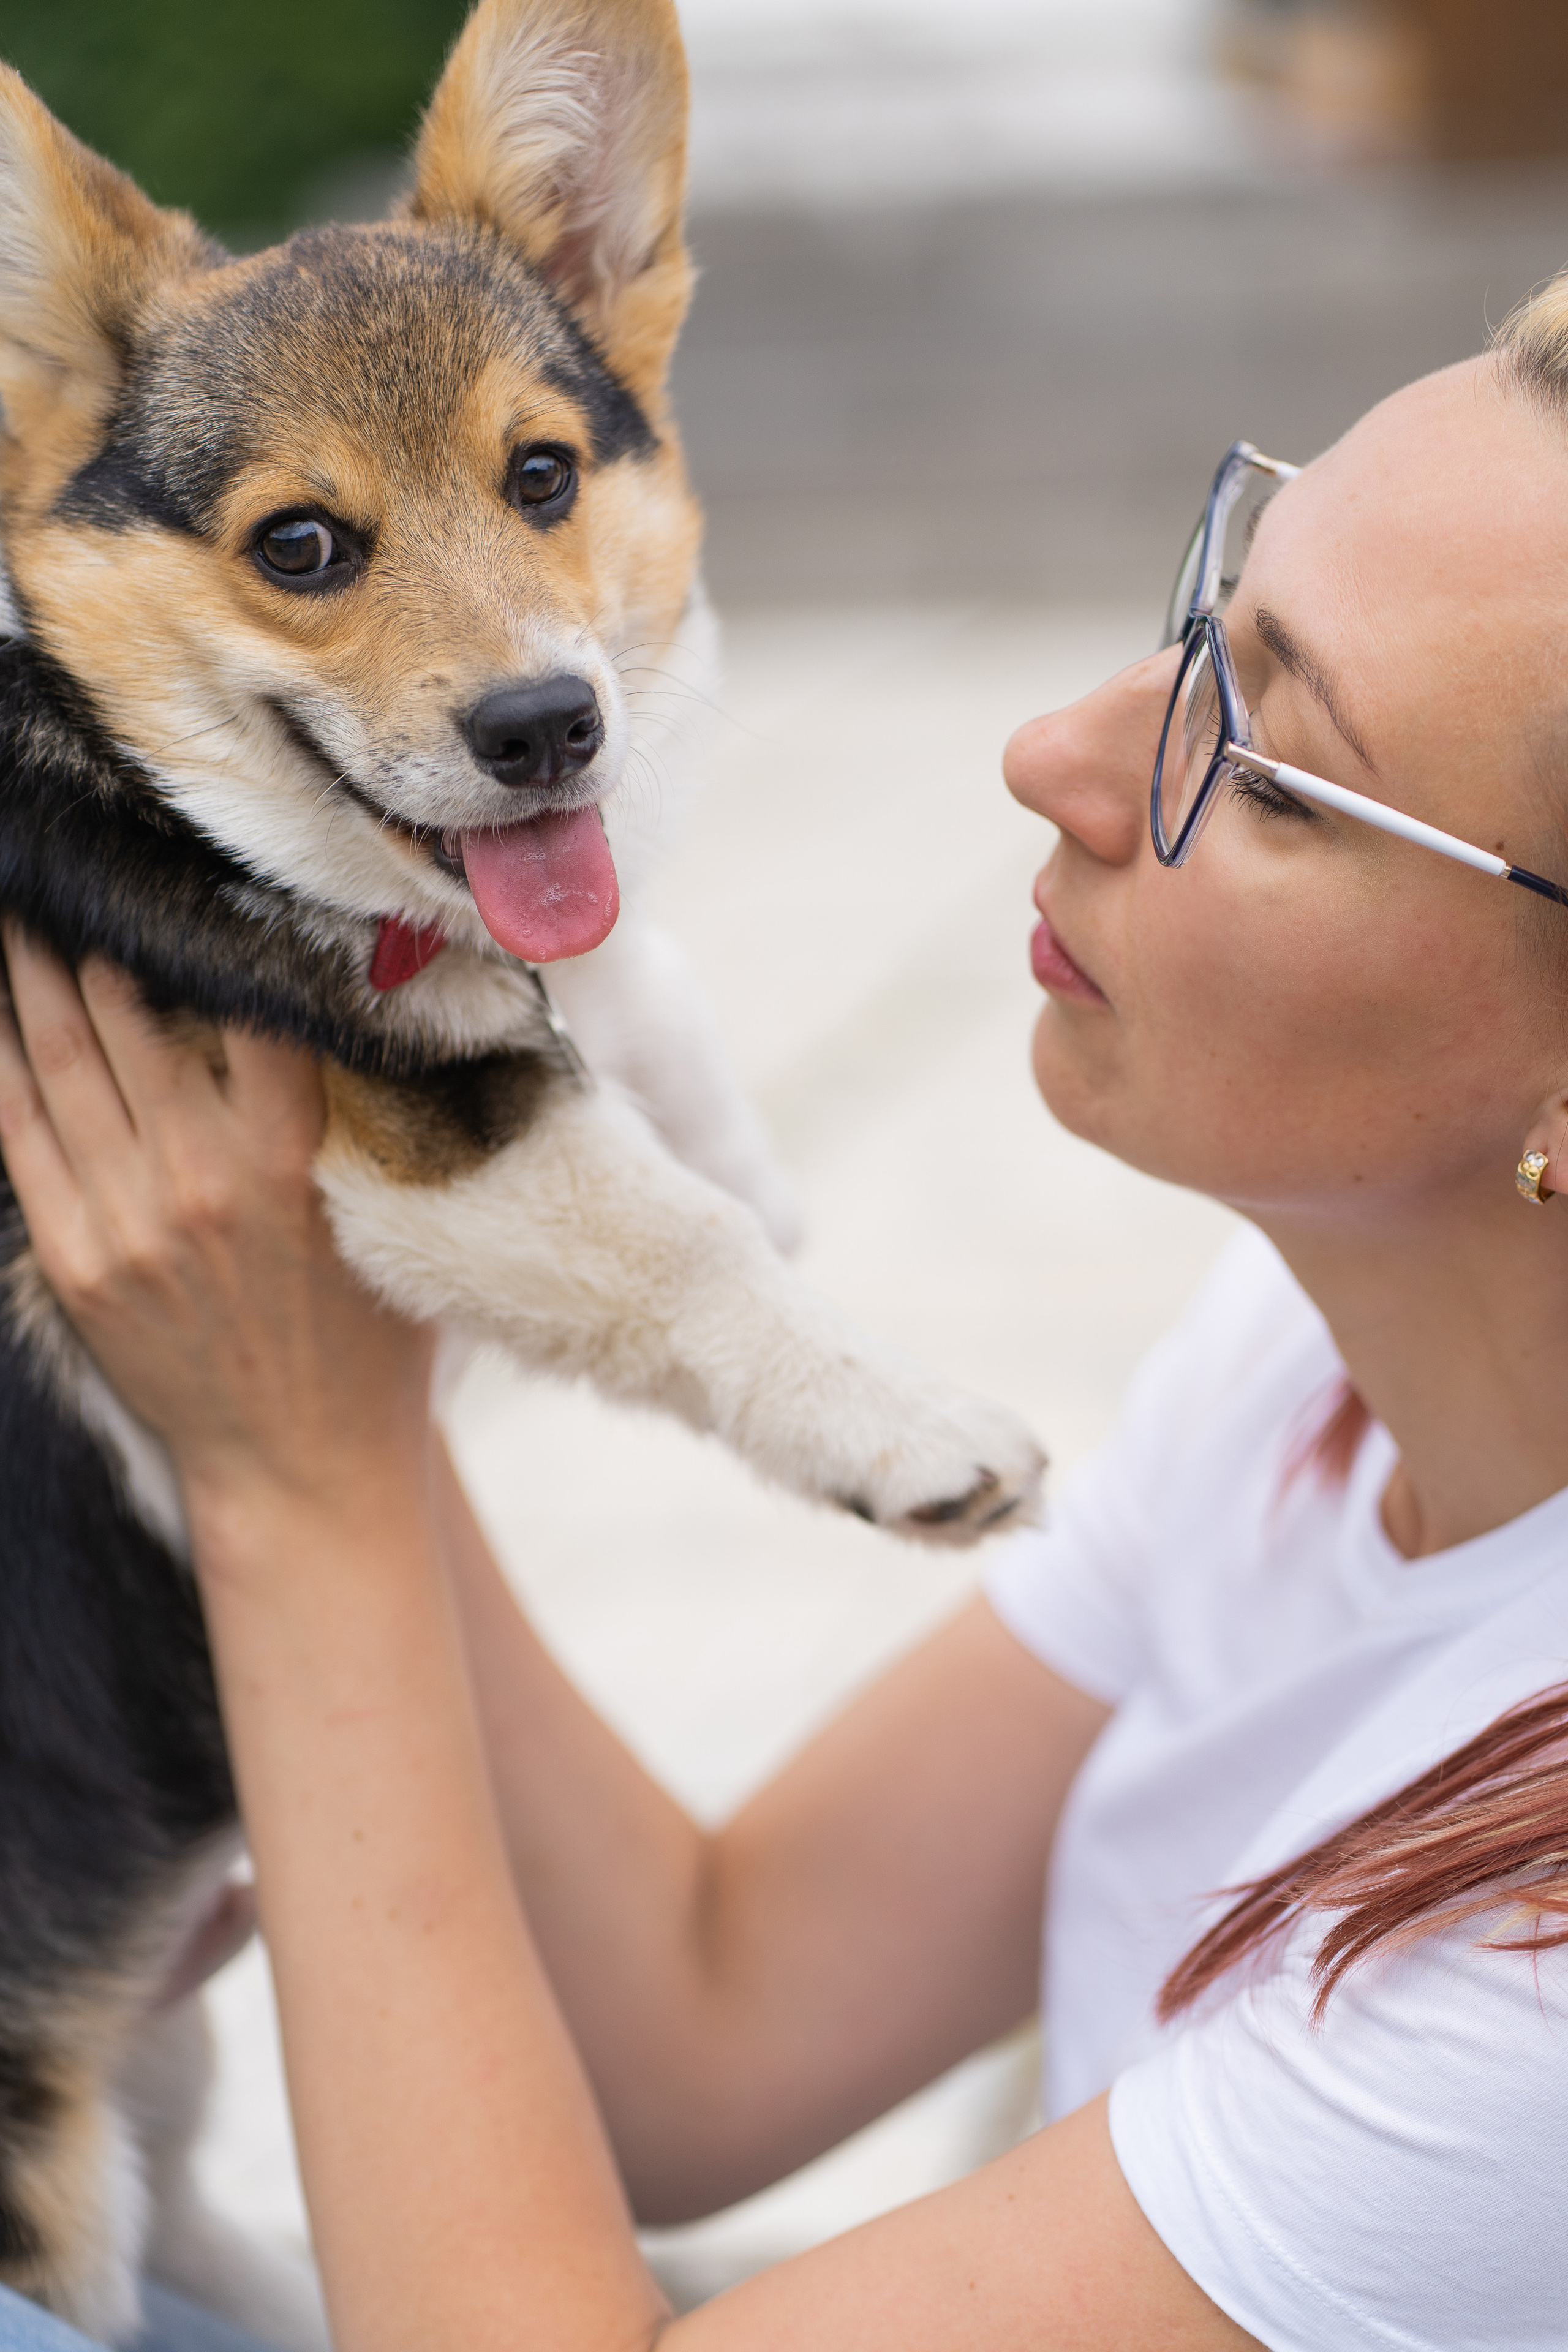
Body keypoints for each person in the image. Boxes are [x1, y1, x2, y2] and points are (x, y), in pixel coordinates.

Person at [5, 280, 1568, 2352]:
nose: (1059, 751)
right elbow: (703, 2017)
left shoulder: (1529, 2018)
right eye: (1209, 616)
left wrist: (298, 1493)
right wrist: (295, 1256)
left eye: (1276, 772)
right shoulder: (1327, 1375)